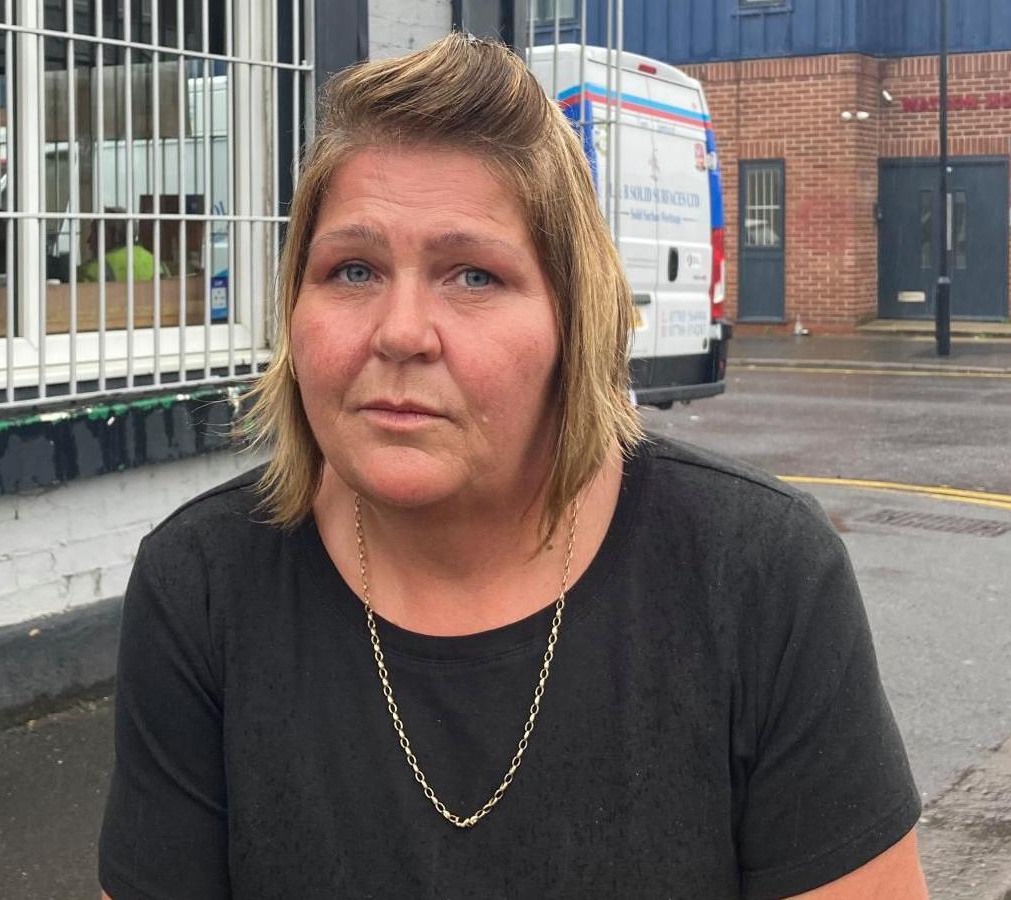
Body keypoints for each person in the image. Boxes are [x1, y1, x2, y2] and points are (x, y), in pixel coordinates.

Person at [98, 34, 925, 900]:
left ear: (575, 319)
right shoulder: (202, 585)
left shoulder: (756, 573)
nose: (402, 331)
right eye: (352, 268)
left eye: (473, 276)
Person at [77, 211, 164, 283]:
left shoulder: (94, 270)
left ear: (113, 235)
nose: (88, 240)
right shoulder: (154, 261)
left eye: (94, 232)